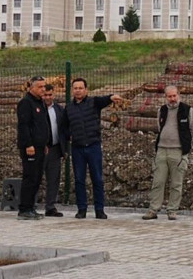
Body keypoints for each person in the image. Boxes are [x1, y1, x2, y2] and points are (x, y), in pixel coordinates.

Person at [64, 78, 123, 219]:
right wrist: (69, 136)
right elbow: (64, 126)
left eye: (80, 88)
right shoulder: (68, 108)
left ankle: (99, 209)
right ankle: (81, 209)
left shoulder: (93, 102)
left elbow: (104, 100)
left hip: (93, 146)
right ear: (72, 90)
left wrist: (111, 97)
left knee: (97, 179)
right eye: (75, 88)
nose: (78, 90)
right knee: (79, 179)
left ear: (86, 90)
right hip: (77, 148)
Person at [142, 85, 193, 221]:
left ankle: (172, 210)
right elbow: (159, 127)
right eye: (169, 96)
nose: (172, 99)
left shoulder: (187, 110)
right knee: (158, 182)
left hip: (178, 151)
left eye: (174, 96)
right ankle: (153, 210)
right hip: (161, 150)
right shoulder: (162, 110)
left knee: (176, 184)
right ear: (165, 97)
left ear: (178, 95)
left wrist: (184, 143)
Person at [16, 75, 51, 220]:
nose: (43, 89)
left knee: (37, 178)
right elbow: (24, 125)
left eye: (44, 86)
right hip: (31, 148)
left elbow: (43, 124)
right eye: (40, 87)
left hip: (40, 147)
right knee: (30, 177)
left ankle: (31, 207)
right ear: (32, 87)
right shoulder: (26, 103)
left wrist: (45, 143)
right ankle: (24, 209)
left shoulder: (40, 102)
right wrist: (28, 144)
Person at [42, 83, 68, 217]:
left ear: (54, 94)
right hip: (40, 149)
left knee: (53, 179)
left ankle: (50, 207)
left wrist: (65, 148)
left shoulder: (59, 109)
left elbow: (64, 129)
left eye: (50, 95)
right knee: (35, 178)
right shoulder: (37, 109)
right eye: (45, 95)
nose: (47, 97)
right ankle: (30, 205)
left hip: (55, 148)